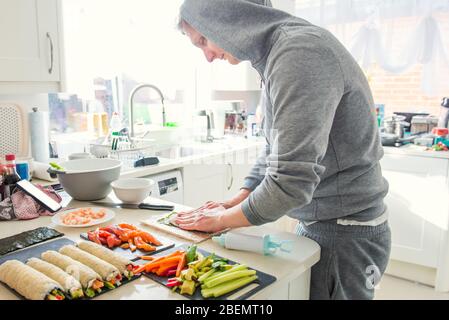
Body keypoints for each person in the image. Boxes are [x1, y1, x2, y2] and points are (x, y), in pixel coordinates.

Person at [174, 0, 391, 300]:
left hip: (344, 232)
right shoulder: (279, 53)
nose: (208, 56)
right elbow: (276, 150)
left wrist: (220, 222)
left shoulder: (299, 54)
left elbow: (290, 182)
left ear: (224, 18)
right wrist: (238, 199)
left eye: (203, 40)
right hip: (325, 223)